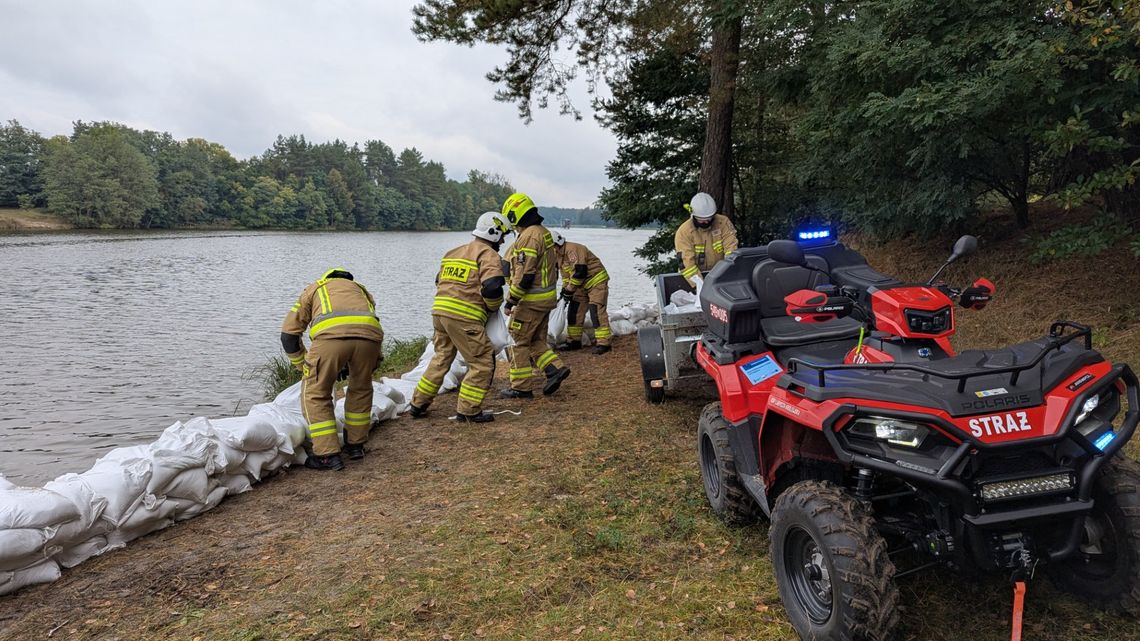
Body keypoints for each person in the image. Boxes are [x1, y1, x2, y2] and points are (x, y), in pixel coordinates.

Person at [408, 212, 509, 423]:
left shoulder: (453, 252)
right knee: (481, 362)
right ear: (494, 232)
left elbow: (439, 280)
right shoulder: (488, 255)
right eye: (502, 236)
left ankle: (418, 403)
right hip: (465, 318)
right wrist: (492, 308)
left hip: (440, 314)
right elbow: (491, 288)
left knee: (441, 357)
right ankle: (469, 410)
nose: (502, 241)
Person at [281, 268, 384, 471]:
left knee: (316, 393)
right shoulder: (361, 290)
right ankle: (356, 445)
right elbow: (360, 328)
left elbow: (288, 335)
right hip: (371, 339)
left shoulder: (314, 288)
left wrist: (304, 367)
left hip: (329, 339)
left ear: (327, 278)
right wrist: (348, 363)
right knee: (361, 389)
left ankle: (327, 455)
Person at [499, 192, 572, 398]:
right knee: (535, 340)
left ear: (515, 215)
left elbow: (525, 273)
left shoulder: (528, 236)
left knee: (517, 341)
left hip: (530, 301)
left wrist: (511, 300)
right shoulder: (543, 232)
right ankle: (554, 369)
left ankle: (521, 387)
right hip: (545, 299)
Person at [550, 230, 612, 354]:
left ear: (555, 244)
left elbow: (580, 272)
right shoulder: (558, 256)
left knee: (596, 310)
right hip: (580, 286)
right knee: (574, 311)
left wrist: (570, 289)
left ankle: (604, 343)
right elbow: (566, 276)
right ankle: (574, 341)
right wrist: (564, 293)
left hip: (596, 282)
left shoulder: (573, 249)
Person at [674, 191, 739, 288]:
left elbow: (731, 249)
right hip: (693, 279)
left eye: (709, 218)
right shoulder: (684, 232)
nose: (705, 222)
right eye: (701, 219)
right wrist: (701, 286)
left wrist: (726, 276)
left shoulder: (723, 223)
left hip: (720, 275)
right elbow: (687, 264)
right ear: (693, 215)